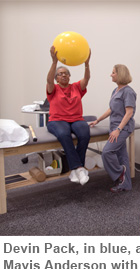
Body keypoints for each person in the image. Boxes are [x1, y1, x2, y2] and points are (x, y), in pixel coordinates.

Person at [46, 46, 91, 185]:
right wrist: (54, 62)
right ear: (57, 78)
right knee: (64, 134)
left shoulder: (77, 87)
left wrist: (87, 64)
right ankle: (79, 168)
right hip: (57, 120)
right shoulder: (53, 89)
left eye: (66, 73)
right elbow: (48, 80)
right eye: (60, 74)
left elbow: (87, 79)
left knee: (84, 134)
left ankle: (74, 170)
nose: (63, 75)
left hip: (76, 119)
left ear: (69, 76)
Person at [89, 64, 136, 192]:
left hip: (122, 128)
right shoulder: (115, 91)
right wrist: (97, 120)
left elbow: (129, 113)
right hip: (114, 126)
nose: (111, 74)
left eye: (113, 72)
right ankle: (125, 184)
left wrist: (118, 130)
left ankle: (120, 172)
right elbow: (111, 109)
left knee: (107, 152)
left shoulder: (128, 92)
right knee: (122, 156)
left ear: (120, 74)